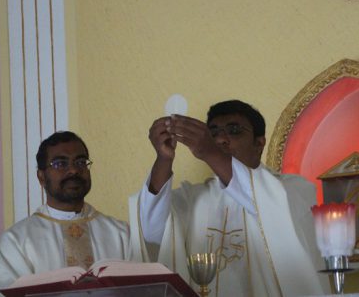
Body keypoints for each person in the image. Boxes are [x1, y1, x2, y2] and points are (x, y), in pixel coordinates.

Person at [129, 100, 328, 297]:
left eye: (234, 131)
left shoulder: (293, 188)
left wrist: (210, 152)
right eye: (213, 133)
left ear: (259, 143)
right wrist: (163, 158)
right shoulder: (194, 197)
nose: (221, 139)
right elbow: (151, 231)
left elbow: (274, 206)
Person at [0, 131, 137, 297]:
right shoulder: (16, 242)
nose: (73, 170)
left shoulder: (121, 234)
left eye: (80, 162)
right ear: (41, 177)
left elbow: (143, 290)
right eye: (60, 163)